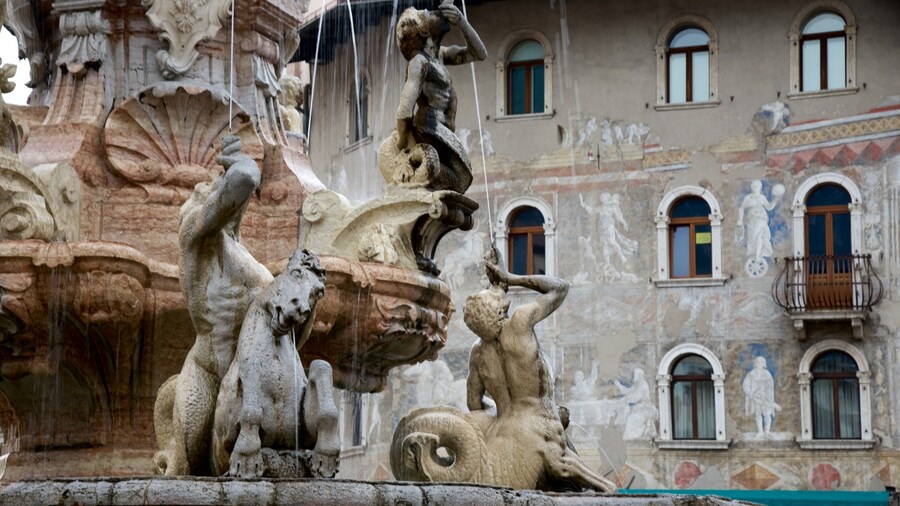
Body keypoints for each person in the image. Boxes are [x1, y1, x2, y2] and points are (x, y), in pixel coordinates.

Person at [155, 134, 273, 475]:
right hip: (206, 373)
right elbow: (244, 180)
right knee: (188, 465)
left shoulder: (240, 251)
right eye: (209, 187)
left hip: (251, 377)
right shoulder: (195, 235)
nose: (215, 186)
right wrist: (240, 165)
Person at [462, 248, 616, 492]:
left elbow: (474, 404)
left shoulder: (477, 353)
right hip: (543, 433)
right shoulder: (520, 324)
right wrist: (511, 277)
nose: (500, 293)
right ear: (498, 310)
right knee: (598, 490)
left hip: (506, 441)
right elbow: (559, 288)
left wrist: (504, 413)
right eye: (495, 295)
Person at [392, 0, 486, 193]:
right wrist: (404, 146)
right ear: (424, 31)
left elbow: (479, 53)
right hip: (429, 130)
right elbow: (404, 111)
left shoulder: (439, 55)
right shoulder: (419, 62)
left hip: (442, 132)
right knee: (459, 180)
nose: (434, 11)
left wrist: (461, 22)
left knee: (458, 182)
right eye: (427, 12)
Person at [738, 180, 779, 262]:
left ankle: (757, 255)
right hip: (752, 219)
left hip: (762, 218)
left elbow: (768, 207)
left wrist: (774, 201)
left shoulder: (762, 197)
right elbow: (741, 208)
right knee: (753, 237)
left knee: (760, 235)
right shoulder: (748, 197)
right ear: (752, 187)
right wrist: (739, 219)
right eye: (754, 186)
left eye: (757, 186)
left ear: (760, 187)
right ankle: (755, 254)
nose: (756, 188)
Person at [742, 356, 781, 435]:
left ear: (764, 364)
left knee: (767, 414)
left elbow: (771, 386)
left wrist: (766, 390)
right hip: (754, 396)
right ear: (755, 364)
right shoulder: (751, 374)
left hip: (765, 397)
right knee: (758, 414)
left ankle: (767, 431)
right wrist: (750, 393)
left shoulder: (767, 374)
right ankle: (760, 431)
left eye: (761, 362)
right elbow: (745, 385)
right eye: (757, 362)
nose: (759, 363)